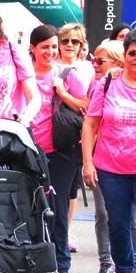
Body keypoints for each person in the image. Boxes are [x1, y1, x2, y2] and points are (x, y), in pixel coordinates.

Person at [81, 29, 136, 273]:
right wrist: (88, 163)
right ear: (124, 56)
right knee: (118, 221)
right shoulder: (108, 83)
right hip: (111, 166)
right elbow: (90, 124)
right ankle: (124, 269)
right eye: (132, 53)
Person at [28, 24, 91, 273]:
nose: (51, 52)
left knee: (57, 208)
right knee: (29, 208)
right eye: (45, 47)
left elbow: (86, 106)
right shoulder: (23, 75)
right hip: (27, 152)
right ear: (32, 49)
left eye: (54, 47)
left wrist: (62, 93)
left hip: (60, 152)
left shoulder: (66, 73)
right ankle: (30, 261)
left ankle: (61, 263)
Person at [88, 40, 136, 273]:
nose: (95, 65)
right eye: (94, 60)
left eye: (101, 61)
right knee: (105, 215)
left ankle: (135, 265)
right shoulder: (101, 82)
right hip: (104, 158)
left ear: (116, 62)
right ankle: (108, 263)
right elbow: (89, 118)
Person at [56, 23, 94, 253]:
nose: (69, 45)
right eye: (65, 41)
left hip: (72, 133)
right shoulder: (49, 65)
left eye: (75, 41)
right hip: (46, 132)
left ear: (82, 45)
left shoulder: (87, 69)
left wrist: (62, 94)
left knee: (71, 187)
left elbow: (86, 105)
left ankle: (66, 231)